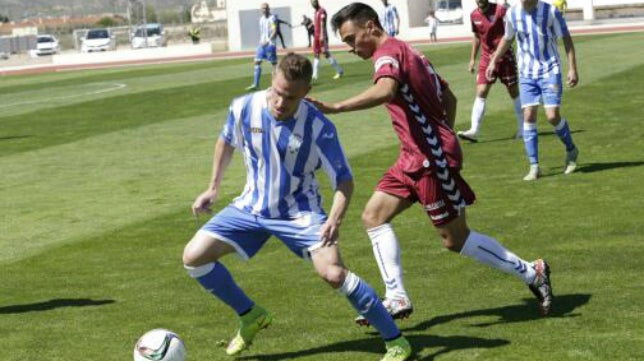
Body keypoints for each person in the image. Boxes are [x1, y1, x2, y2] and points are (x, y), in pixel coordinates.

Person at [308, 3, 553, 325]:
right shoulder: (411, 52)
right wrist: (441, 132)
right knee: (373, 216)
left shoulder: (387, 55)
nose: (351, 48)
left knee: (456, 239)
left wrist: (337, 107)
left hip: (429, 159)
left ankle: (532, 272)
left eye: (352, 39)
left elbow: (386, 90)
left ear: (370, 26)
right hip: (415, 156)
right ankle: (396, 296)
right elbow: (448, 96)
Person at [183, 53, 412, 361]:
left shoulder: (319, 127)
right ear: (272, 81)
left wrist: (335, 218)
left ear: (306, 93)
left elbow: (344, 181)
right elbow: (226, 142)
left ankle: (396, 341)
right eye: (277, 92)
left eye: (290, 97)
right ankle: (251, 315)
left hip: (300, 213)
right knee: (194, 258)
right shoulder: (243, 107)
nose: (280, 102)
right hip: (251, 208)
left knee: (333, 273)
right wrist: (213, 187)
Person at [486, 0, 579, 180]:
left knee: (552, 116)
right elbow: (507, 38)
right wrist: (493, 60)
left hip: (550, 70)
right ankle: (534, 166)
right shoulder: (512, 13)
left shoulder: (550, 11)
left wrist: (572, 68)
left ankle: (571, 149)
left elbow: (566, 38)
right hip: (527, 73)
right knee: (528, 115)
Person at [457, 0, 523, 143]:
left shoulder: (500, 11)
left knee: (513, 91)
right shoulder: (474, 15)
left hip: (505, 57)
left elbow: (510, 34)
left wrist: (498, 54)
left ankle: (523, 129)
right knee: (481, 92)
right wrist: (472, 59)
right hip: (486, 59)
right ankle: (474, 130)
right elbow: (476, 37)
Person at [246, 3, 277, 91]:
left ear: (269, 9)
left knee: (274, 64)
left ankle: (275, 85)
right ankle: (256, 84)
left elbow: (274, 31)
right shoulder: (261, 19)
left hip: (270, 44)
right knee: (257, 61)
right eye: (263, 8)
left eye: (266, 8)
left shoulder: (272, 18)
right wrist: (262, 41)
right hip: (262, 44)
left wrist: (268, 40)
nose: (264, 10)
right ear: (261, 10)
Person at [311, 0, 344, 81]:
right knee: (316, 54)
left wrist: (322, 34)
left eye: (314, 2)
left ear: (317, 2)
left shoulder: (322, 11)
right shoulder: (315, 12)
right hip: (316, 36)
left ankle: (339, 71)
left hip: (322, 35)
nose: (313, 4)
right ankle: (315, 75)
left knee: (326, 53)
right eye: (311, 2)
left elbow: (322, 23)